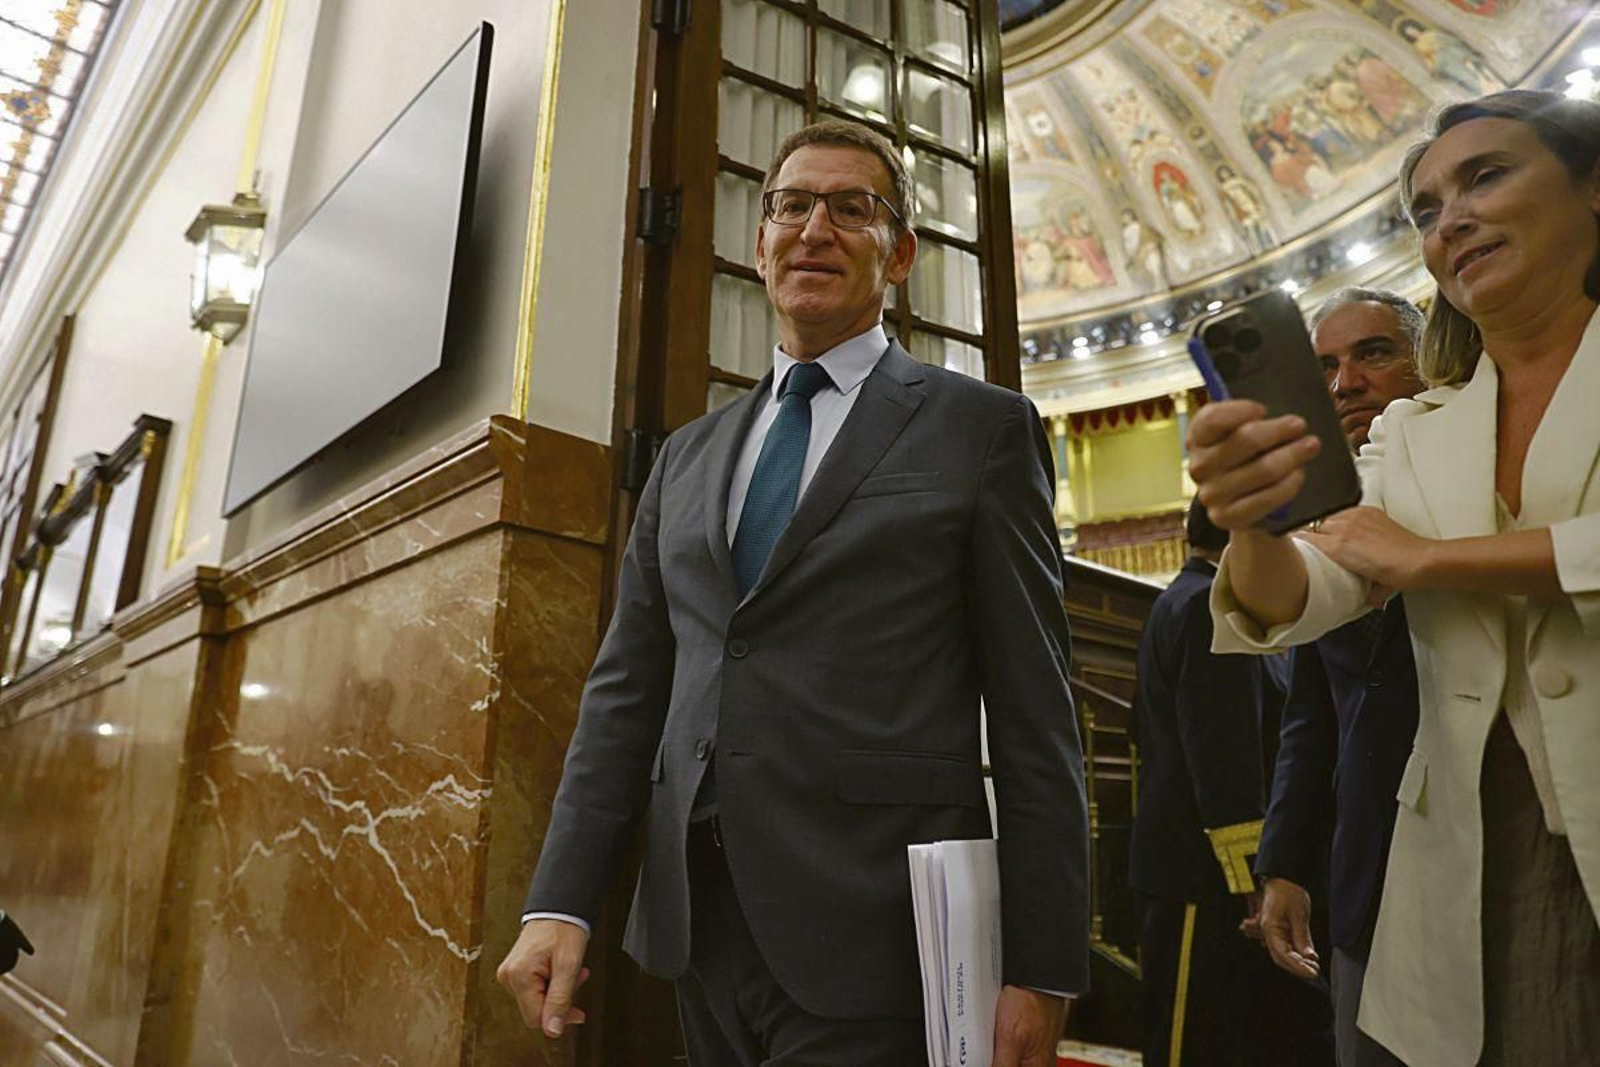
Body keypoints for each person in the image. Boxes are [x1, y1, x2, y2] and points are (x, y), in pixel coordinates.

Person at [497, 119, 1089, 1066]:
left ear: (898, 255)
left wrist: (1044, 962)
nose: (814, 228)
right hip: (694, 931)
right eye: (791, 205)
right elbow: (625, 695)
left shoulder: (980, 430)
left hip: (882, 934)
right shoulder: (687, 456)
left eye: (851, 209)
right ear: (760, 240)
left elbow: (1035, 711)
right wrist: (559, 900)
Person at [1187, 89, 1600, 1066]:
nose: (1448, 216)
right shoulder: (1416, 432)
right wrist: (1253, 523)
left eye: (1484, 175)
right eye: (1423, 207)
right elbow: (1306, 594)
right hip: (1466, 864)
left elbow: (1397, 558)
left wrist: (1430, 560)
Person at [1251, 288, 1427, 1067]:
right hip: (1364, 875)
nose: (1345, 381)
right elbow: (1311, 711)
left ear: (1427, 357)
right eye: (1325, 365)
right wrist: (1285, 861)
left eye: (1373, 353)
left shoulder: (1487, 473)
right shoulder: (1313, 517)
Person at [1129, 497, 1332, 1067]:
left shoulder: (1179, 597)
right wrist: (1251, 876)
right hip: (1202, 878)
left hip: (1191, 867)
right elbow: (1225, 753)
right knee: (1195, 1041)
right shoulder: (1210, 607)